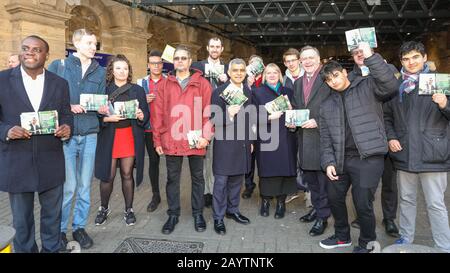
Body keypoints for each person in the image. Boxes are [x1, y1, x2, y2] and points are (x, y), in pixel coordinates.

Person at [319, 42, 399, 253]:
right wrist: (328, 162)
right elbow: (325, 137)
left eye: (335, 75)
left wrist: (371, 56)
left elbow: (390, 85)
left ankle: (367, 243)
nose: (333, 81)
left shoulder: (367, 86)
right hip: (340, 158)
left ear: (344, 72)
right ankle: (342, 236)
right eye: (328, 80)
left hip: (369, 157)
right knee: (334, 197)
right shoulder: (326, 106)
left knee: (362, 203)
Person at [0, 35, 72, 252]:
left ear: (46, 55)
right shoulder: (2, 80)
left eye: (36, 49)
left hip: (50, 160)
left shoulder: (60, 83)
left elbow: (66, 115)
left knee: (52, 217)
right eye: (25, 48)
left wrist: (68, 128)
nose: (30, 52)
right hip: (17, 161)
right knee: (21, 222)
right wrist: (6, 131)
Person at [383, 41, 450, 252]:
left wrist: (444, 104)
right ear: (401, 61)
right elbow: (387, 117)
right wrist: (391, 137)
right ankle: (406, 238)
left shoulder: (440, 82)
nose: (411, 62)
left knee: (436, 204)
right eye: (406, 59)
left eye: (415, 57)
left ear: (424, 57)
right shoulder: (396, 87)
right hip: (404, 153)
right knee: (406, 200)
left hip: (432, 154)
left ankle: (444, 245)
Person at [48, 28, 107, 250]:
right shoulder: (59, 66)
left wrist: (103, 108)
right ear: (76, 43)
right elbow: (49, 99)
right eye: (90, 43)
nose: (94, 47)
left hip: (90, 133)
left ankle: (79, 227)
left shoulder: (99, 72)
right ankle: (61, 231)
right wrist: (68, 106)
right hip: (67, 135)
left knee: (84, 186)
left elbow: (102, 101)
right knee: (69, 186)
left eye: (95, 44)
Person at [153, 45, 213, 234]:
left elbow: (208, 112)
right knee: (172, 178)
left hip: (196, 139)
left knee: (198, 178)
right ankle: (173, 214)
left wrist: (206, 136)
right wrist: (157, 140)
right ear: (174, 61)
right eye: (176, 58)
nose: (179, 61)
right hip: (171, 138)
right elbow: (158, 113)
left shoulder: (202, 83)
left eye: (183, 58)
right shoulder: (164, 84)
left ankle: (198, 213)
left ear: (189, 61)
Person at [348, 47, 400, 237]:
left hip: (389, 132)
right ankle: (363, 214)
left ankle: (389, 218)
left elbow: (390, 88)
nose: (359, 55)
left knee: (389, 182)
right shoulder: (351, 77)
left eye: (362, 51)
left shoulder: (386, 69)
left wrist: (392, 134)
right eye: (355, 53)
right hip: (367, 139)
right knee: (364, 183)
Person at [94, 54, 149, 227]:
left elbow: (146, 115)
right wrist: (105, 119)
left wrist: (141, 115)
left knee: (127, 174)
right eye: (118, 68)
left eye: (125, 68)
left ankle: (129, 209)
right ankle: (103, 208)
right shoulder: (104, 89)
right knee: (107, 176)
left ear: (129, 71)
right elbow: (96, 115)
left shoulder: (138, 90)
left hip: (129, 137)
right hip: (110, 137)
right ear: (112, 70)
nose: (122, 71)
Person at [210, 58, 254, 235]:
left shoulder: (248, 92)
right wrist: (228, 114)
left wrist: (251, 141)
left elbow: (250, 119)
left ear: (245, 73)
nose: (238, 73)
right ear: (229, 72)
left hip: (242, 143)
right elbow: (213, 119)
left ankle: (232, 210)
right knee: (221, 182)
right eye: (235, 70)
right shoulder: (219, 92)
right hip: (224, 144)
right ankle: (218, 217)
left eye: (242, 70)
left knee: (237, 180)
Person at [292, 46, 331, 237]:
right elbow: (298, 108)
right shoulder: (298, 83)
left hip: (322, 139)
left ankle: (323, 218)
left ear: (319, 59)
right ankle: (317, 209)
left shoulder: (327, 79)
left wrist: (319, 121)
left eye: (310, 58)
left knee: (322, 182)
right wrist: (292, 121)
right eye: (304, 58)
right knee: (312, 181)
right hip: (305, 139)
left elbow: (336, 106)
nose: (307, 61)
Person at [252, 63, 297, 219]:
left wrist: (291, 112)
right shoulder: (257, 92)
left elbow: (297, 113)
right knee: (267, 171)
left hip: (286, 137)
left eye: (275, 72)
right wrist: (269, 117)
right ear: (264, 76)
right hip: (266, 137)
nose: (272, 75)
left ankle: (281, 202)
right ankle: (265, 201)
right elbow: (251, 115)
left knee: (284, 169)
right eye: (268, 73)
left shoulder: (288, 92)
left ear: (280, 75)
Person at [192, 37, 229, 208]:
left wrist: (226, 81)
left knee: (220, 156)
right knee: (205, 157)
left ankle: (218, 191)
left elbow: (235, 90)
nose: (214, 49)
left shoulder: (228, 69)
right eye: (212, 46)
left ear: (222, 49)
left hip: (223, 117)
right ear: (207, 48)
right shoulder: (197, 67)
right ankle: (207, 191)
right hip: (202, 115)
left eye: (217, 47)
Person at [137, 50, 165, 212]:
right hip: (148, 129)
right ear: (148, 65)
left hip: (166, 129)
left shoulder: (169, 81)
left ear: (162, 65)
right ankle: (156, 195)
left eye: (158, 63)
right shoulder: (141, 83)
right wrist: (142, 100)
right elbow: (132, 103)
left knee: (172, 164)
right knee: (153, 162)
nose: (156, 66)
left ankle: (172, 193)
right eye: (153, 63)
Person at [242, 54, 265, 199]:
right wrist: (248, 85)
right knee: (248, 158)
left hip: (264, 124)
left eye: (258, 64)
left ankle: (265, 186)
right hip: (249, 124)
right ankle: (249, 185)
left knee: (264, 158)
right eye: (252, 63)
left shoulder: (267, 79)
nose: (255, 66)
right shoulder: (243, 80)